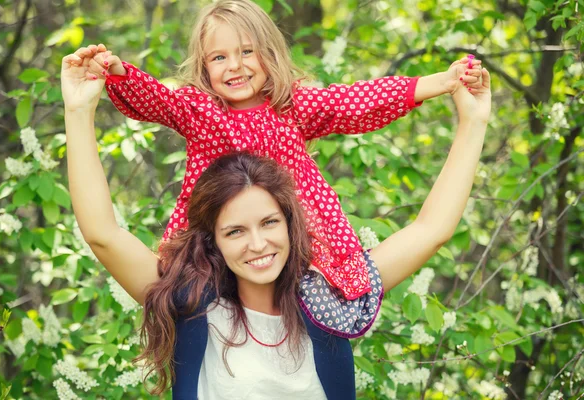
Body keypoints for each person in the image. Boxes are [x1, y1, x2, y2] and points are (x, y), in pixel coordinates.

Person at [62, 34, 491, 398]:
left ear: (294, 221)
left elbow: (432, 229)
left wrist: (472, 122)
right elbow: (102, 234)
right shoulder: (189, 302)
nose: (258, 243)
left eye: (270, 222)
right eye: (234, 231)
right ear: (212, 239)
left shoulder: (334, 294)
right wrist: (79, 111)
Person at [70, 0, 484, 304]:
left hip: (292, 243)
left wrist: (437, 83)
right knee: (199, 290)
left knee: (303, 275)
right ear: (204, 67)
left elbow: (356, 101)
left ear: (268, 53)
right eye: (219, 57)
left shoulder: (293, 107)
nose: (235, 66)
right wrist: (118, 72)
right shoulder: (200, 110)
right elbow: (159, 100)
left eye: (247, 52)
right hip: (218, 247)